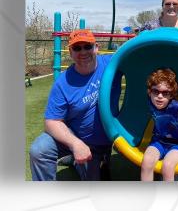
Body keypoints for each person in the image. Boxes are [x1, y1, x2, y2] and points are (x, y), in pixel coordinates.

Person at [29, 29, 121, 181]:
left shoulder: (112, 63)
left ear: (96, 47)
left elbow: (137, 51)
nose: (83, 52)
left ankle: (76, 161)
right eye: (77, 48)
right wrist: (75, 143)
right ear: (70, 52)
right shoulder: (63, 83)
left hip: (101, 143)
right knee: (39, 150)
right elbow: (52, 121)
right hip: (75, 134)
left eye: (87, 46)